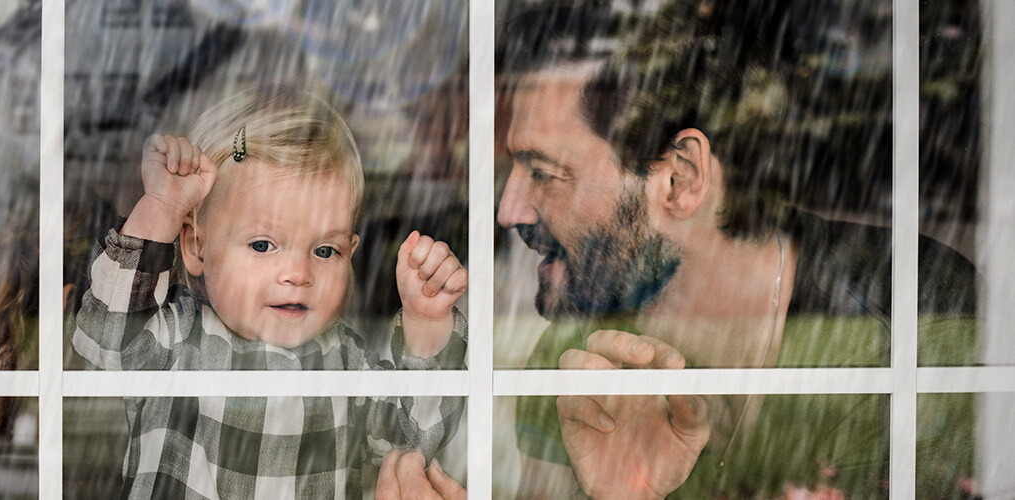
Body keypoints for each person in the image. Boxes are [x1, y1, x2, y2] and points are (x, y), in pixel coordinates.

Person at [381, 4, 980, 499]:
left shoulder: (914, 320)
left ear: (681, 179)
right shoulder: (576, 357)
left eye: (543, 171)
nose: (508, 209)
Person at [71, 87, 469, 499]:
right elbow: (103, 337)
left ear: (350, 254)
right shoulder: (176, 337)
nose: (298, 273)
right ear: (194, 246)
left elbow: (416, 435)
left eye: (324, 250)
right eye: (262, 245)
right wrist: (160, 207)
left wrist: (425, 322)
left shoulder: (344, 361)